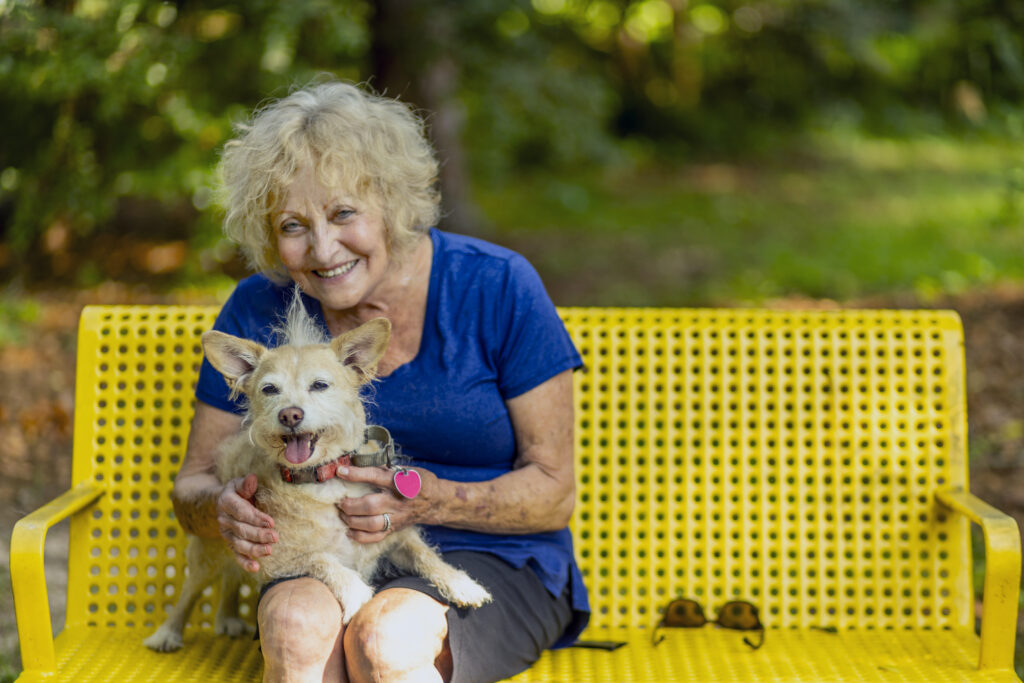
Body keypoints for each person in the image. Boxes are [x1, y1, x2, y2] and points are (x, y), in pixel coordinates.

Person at [171, 80, 589, 683]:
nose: (323, 249)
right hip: (319, 548)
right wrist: (223, 510)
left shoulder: (497, 287)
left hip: (488, 555)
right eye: (293, 225)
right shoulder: (256, 309)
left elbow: (554, 492)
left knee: (385, 641)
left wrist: (428, 499)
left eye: (344, 213)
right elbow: (192, 488)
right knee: (294, 627)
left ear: (392, 202)